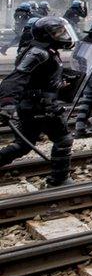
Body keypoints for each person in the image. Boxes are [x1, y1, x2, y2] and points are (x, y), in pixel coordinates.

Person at [0, 17, 77, 187]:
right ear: (46, 35)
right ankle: (59, 180)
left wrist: (60, 84)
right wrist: (7, 104)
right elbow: (14, 80)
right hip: (40, 107)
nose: (62, 35)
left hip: (36, 105)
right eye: (58, 32)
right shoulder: (38, 53)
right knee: (63, 139)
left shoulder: (47, 51)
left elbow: (39, 78)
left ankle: (59, 179)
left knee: (22, 146)